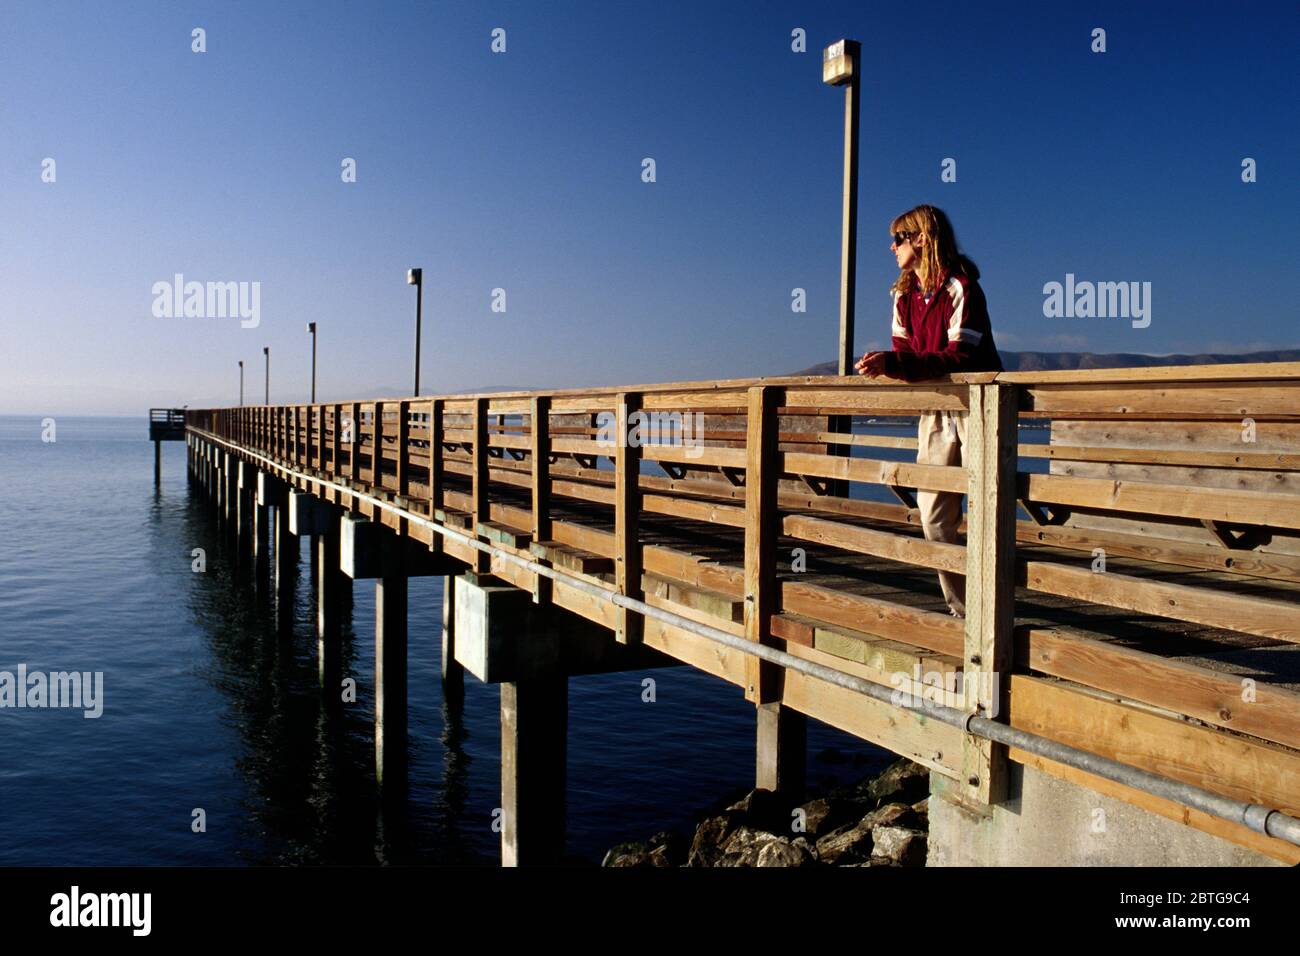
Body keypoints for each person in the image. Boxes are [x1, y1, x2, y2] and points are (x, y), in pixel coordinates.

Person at [854, 204, 1002, 618]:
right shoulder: (903, 296)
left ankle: (992, 608)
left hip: (979, 408)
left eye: (899, 238)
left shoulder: (961, 287)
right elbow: (906, 356)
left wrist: (896, 364)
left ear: (922, 238)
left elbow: (959, 357)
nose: (892, 247)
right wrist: (888, 364)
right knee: (934, 513)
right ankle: (964, 609)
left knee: (988, 509)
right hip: (935, 410)